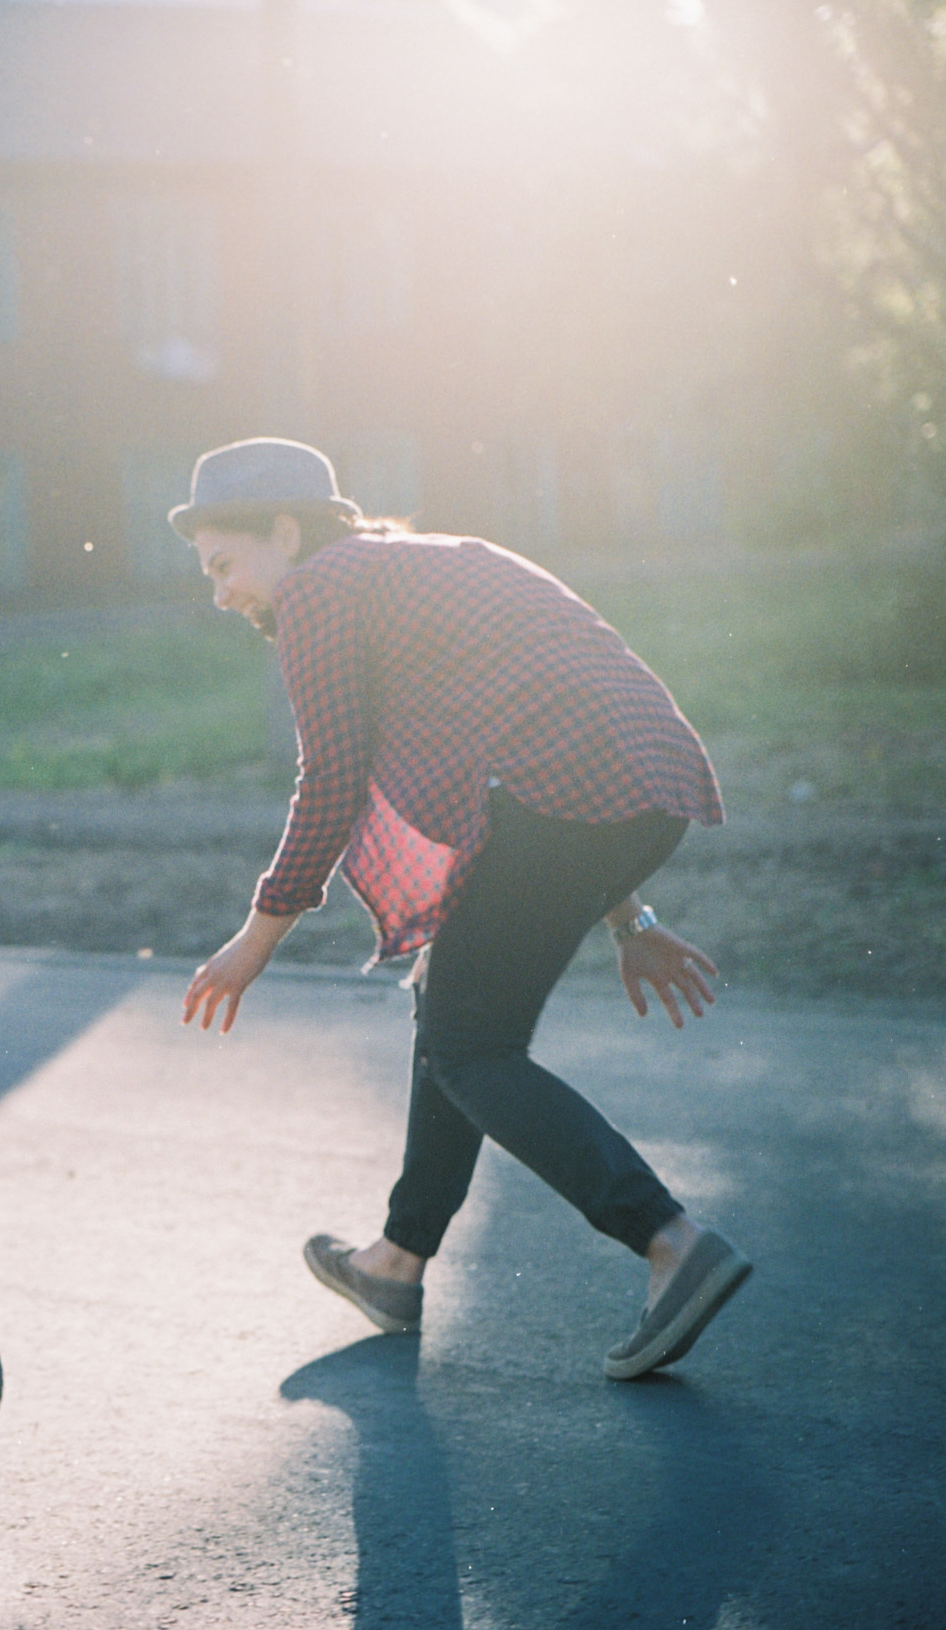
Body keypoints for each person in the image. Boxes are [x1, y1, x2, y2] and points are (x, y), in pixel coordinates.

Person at [171, 438, 752, 1380]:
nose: (221, 593)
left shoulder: (322, 592)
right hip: (648, 784)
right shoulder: (410, 568)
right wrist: (628, 917)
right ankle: (397, 1263)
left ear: (287, 531)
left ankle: (671, 1242)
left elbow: (330, 783)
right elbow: (553, 722)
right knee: (452, 1008)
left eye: (225, 565)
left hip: (567, 802)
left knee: (472, 1047)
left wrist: (254, 941)